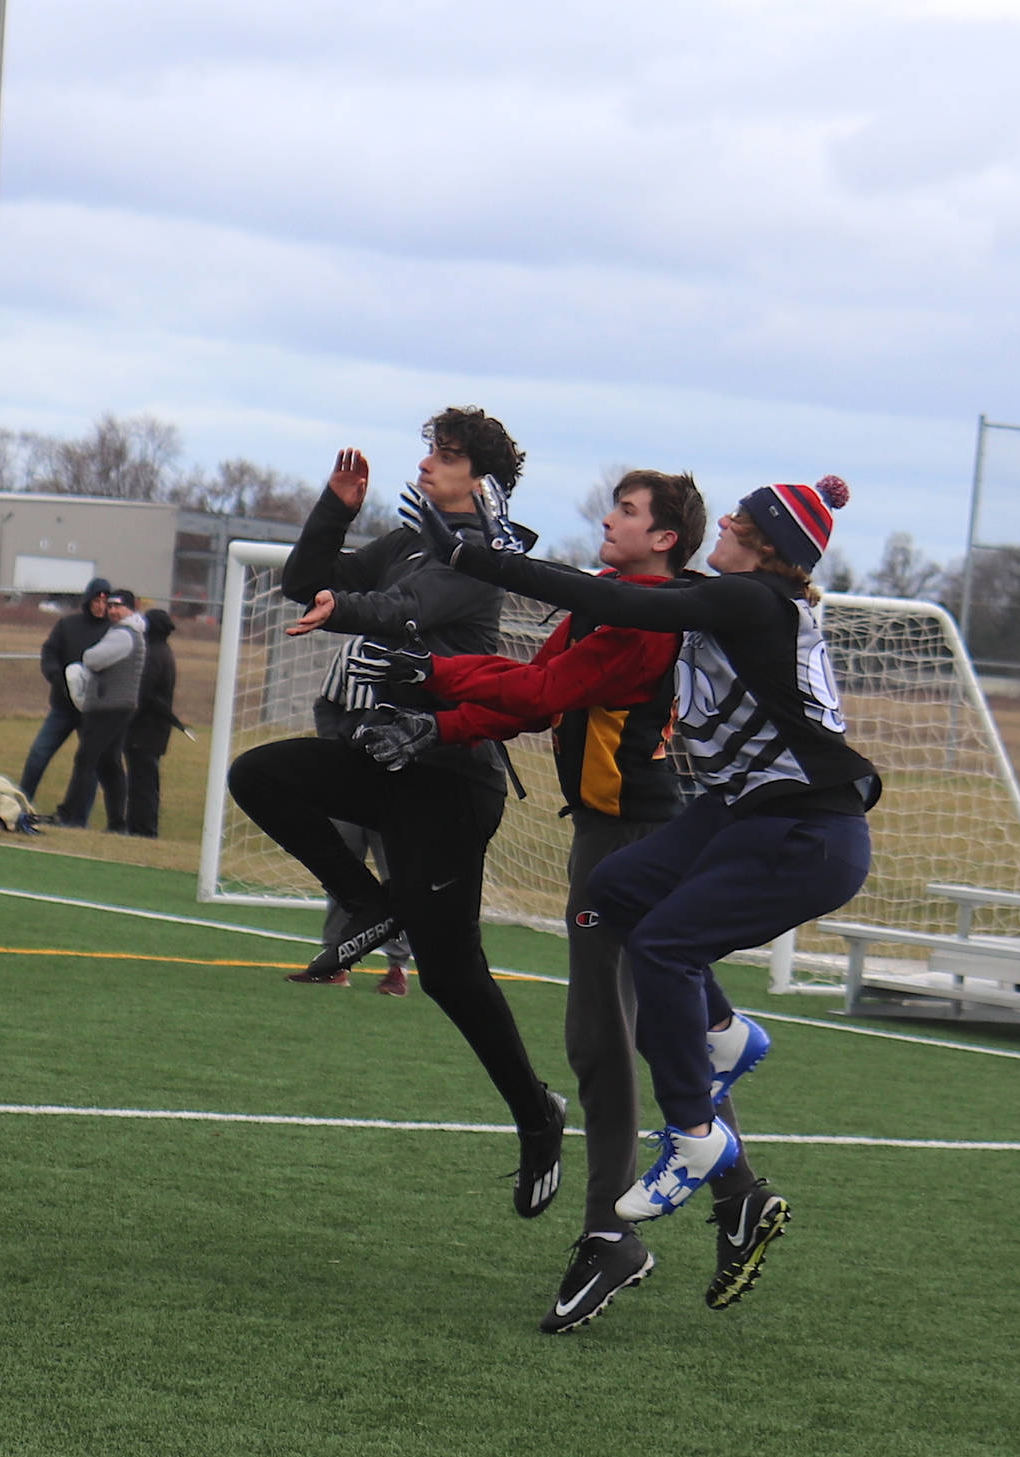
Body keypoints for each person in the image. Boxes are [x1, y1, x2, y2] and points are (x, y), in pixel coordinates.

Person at [362, 470, 789, 1327]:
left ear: (666, 539)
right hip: (617, 835)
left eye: (628, 510)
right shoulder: (606, 597)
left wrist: (436, 685)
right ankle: (736, 1190)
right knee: (672, 1031)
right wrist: (439, 708)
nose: (609, 516)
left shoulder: (651, 623)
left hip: (634, 839)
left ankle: (612, 1234)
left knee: (601, 1042)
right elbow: (534, 686)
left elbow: (541, 694)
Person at [405, 473, 877, 1225]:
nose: (723, 519)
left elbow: (620, 601)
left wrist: (478, 557)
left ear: (763, 545)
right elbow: (596, 618)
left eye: (741, 518)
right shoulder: (734, 595)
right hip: (744, 811)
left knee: (662, 947)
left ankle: (694, 1137)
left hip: (807, 830)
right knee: (617, 891)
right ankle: (723, 1032)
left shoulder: (753, 598)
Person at [226, 410, 569, 1220]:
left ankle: (536, 1112)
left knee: (454, 975)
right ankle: (373, 905)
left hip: (451, 779)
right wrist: (335, 510)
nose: (425, 464)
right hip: (389, 759)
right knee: (260, 776)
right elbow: (301, 580)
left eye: (444, 457)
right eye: (431, 450)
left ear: (479, 481)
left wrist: (341, 609)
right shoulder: (410, 539)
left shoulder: (482, 558)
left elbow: (406, 607)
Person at [294, 637, 415, 994]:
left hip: (400, 785)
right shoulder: (353, 648)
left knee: (400, 877)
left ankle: (398, 967)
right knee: (340, 869)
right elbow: (327, 703)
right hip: (349, 783)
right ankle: (334, 961)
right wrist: (336, 748)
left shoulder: (421, 648)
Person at [56, 589, 145, 830]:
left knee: (86, 758)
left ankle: (69, 814)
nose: (113, 611)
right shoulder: (125, 632)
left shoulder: (123, 634)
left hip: (110, 706)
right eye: (111, 606)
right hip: (115, 705)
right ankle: (117, 822)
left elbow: (93, 658)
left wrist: (86, 655)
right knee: (109, 764)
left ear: (130, 609)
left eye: (118, 606)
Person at [18, 578, 112, 804]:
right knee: (39, 752)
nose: (101, 606)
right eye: (97, 600)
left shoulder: (113, 631)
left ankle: (79, 816)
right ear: (88, 600)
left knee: (88, 763)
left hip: (93, 709)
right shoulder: (68, 625)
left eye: (105, 601)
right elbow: (50, 653)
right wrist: (58, 677)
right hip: (63, 705)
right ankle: (22, 801)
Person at [123, 607, 183, 838]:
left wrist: (126, 720)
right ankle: (143, 826)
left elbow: (143, 694)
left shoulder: (153, 655)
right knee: (146, 781)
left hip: (145, 730)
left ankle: (142, 828)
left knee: (142, 783)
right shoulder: (163, 652)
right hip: (154, 730)